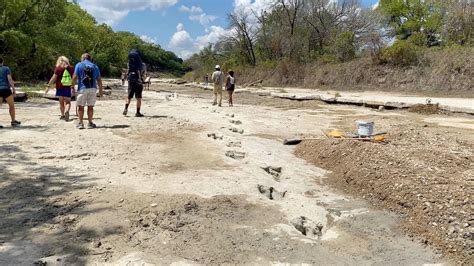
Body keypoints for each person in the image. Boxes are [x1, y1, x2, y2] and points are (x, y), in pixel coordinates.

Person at [71, 53, 103, 129]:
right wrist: (101, 90)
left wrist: (72, 86)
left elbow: (75, 77)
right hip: (93, 88)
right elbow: (99, 79)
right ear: (90, 58)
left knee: (81, 107)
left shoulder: (79, 65)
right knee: (90, 106)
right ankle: (90, 123)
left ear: (83, 58)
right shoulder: (95, 66)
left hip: (82, 88)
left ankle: (81, 123)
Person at [45, 56, 75, 121]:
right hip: (68, 87)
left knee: (61, 102)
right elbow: (74, 78)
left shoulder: (58, 68)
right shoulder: (71, 68)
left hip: (59, 87)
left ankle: (62, 115)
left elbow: (53, 78)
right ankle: (67, 111)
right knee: (68, 102)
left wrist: (48, 86)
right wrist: (73, 87)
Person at [123, 49, 145, 117]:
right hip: (138, 81)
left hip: (131, 80)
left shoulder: (129, 64)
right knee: (138, 98)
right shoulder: (142, 64)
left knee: (129, 96)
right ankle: (137, 112)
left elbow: (127, 72)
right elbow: (143, 74)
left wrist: (125, 78)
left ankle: (126, 109)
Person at [0, 57, 21, 128]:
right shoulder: (6, 68)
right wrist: (14, 90)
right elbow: (9, 79)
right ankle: (13, 121)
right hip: (6, 89)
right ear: (2, 62)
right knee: (11, 106)